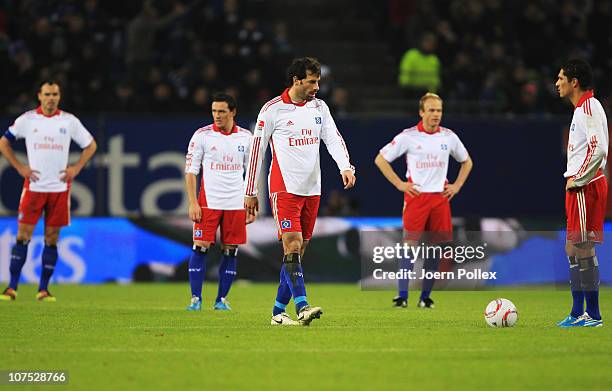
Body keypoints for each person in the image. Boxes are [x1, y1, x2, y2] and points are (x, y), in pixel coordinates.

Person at [244, 57, 356, 326]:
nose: (317, 86)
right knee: (292, 243)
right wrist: (250, 190)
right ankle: (303, 306)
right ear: (296, 80)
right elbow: (257, 152)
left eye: (318, 81)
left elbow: (333, 137)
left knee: (298, 252)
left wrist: (345, 166)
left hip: (312, 189)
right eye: (312, 81)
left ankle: (277, 312)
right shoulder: (272, 110)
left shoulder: (320, 107)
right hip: (284, 189)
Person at [0, 81, 97, 302]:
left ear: (59, 96)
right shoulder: (27, 120)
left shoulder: (69, 121)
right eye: (47, 94)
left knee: (51, 238)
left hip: (59, 188)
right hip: (34, 187)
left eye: (55, 94)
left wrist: (76, 168)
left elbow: (91, 145)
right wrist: (19, 167)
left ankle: (43, 289)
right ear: (39, 96)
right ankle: (12, 287)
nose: (51, 98)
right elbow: (3, 142)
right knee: (23, 236)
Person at [375, 93, 472, 308]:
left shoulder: (448, 137)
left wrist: (456, 186)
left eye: (439, 110)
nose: (436, 114)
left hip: (440, 198)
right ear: (421, 112)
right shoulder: (408, 136)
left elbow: (467, 162)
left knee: (435, 249)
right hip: (416, 197)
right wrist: (400, 184)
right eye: (431, 110)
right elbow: (381, 159)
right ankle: (402, 296)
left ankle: (425, 297)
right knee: (409, 246)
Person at [184, 92, 255, 311]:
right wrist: (193, 202)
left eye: (222, 111)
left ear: (233, 112)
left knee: (230, 250)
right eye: (214, 111)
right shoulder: (202, 135)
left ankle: (221, 300)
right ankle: (196, 299)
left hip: (235, 202)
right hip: (208, 201)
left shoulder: (246, 137)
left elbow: (252, 172)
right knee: (200, 247)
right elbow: (191, 171)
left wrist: (252, 202)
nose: (217, 115)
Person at [555, 59, 608, 328]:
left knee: (583, 247)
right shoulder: (580, 109)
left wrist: (579, 178)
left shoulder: (589, 107)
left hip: (585, 187)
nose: (557, 83)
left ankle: (594, 315)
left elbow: (599, 150)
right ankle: (577, 312)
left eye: (561, 78)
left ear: (574, 81)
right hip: (578, 187)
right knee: (571, 248)